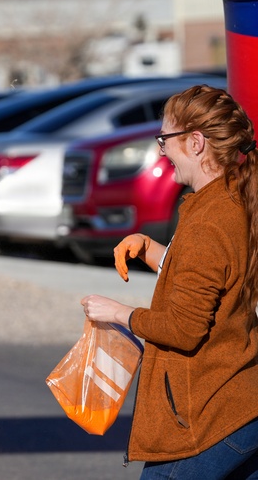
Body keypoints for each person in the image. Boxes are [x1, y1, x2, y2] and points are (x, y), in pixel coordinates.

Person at [81, 84, 258, 478]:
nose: (161, 150)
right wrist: (154, 252)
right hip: (242, 405)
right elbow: (220, 274)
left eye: (165, 139)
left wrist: (117, 312)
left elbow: (184, 329)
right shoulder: (230, 199)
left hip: (209, 416)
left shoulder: (210, 220)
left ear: (196, 143)